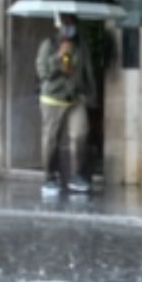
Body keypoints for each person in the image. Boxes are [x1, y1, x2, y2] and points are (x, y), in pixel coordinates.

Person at [35, 14, 96, 196]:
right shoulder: (49, 44)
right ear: (59, 26)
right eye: (66, 24)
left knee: (80, 134)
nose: (69, 28)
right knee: (51, 138)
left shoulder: (81, 45)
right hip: (53, 98)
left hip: (75, 98)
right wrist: (58, 56)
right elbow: (43, 72)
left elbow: (88, 70)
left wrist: (91, 95)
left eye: (72, 23)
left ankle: (77, 175)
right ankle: (49, 176)